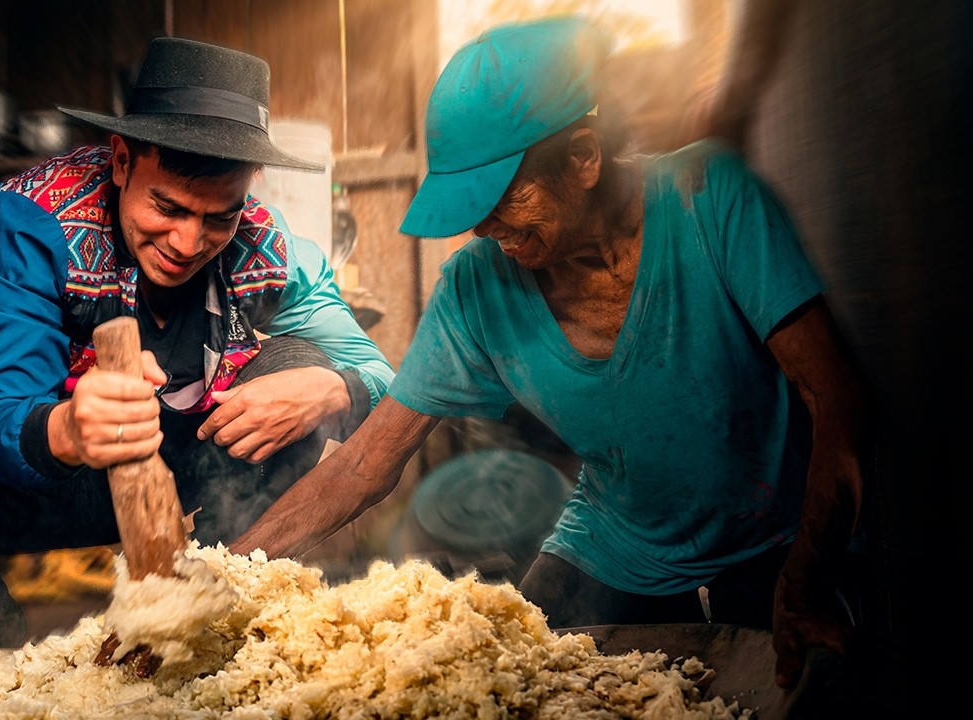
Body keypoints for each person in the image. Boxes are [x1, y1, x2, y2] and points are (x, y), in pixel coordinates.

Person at [231, 16, 870, 694]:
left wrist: (809, 572)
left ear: (584, 158)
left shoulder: (711, 199)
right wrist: (225, 575)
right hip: (617, 540)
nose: (482, 225)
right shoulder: (476, 287)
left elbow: (840, 399)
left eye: (503, 195)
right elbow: (363, 463)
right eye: (469, 205)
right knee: (518, 682)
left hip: (774, 533)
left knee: (804, 683)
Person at [0, 36, 394, 648]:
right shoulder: (27, 221)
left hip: (180, 460)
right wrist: (69, 429)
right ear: (120, 160)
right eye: (167, 207)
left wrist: (335, 387)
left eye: (218, 216)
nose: (188, 243)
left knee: (304, 367)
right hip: (22, 478)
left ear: (251, 186)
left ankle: (216, 595)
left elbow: (384, 383)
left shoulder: (271, 247)